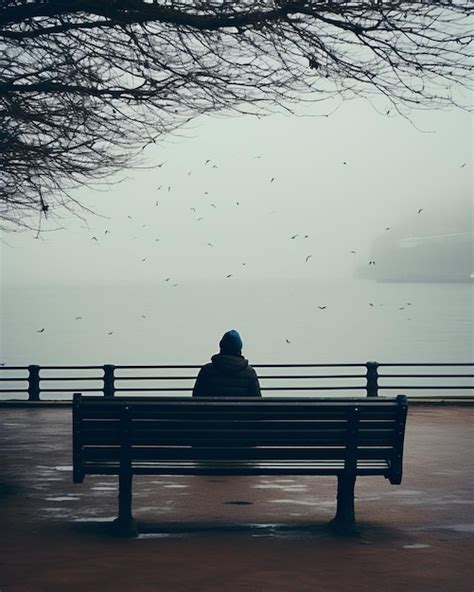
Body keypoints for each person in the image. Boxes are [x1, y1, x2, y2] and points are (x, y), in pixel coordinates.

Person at [192, 330, 261, 397]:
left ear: (221, 346)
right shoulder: (249, 373)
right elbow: (257, 401)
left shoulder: (206, 371)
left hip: (213, 409)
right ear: (239, 349)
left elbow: (196, 397)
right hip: (241, 409)